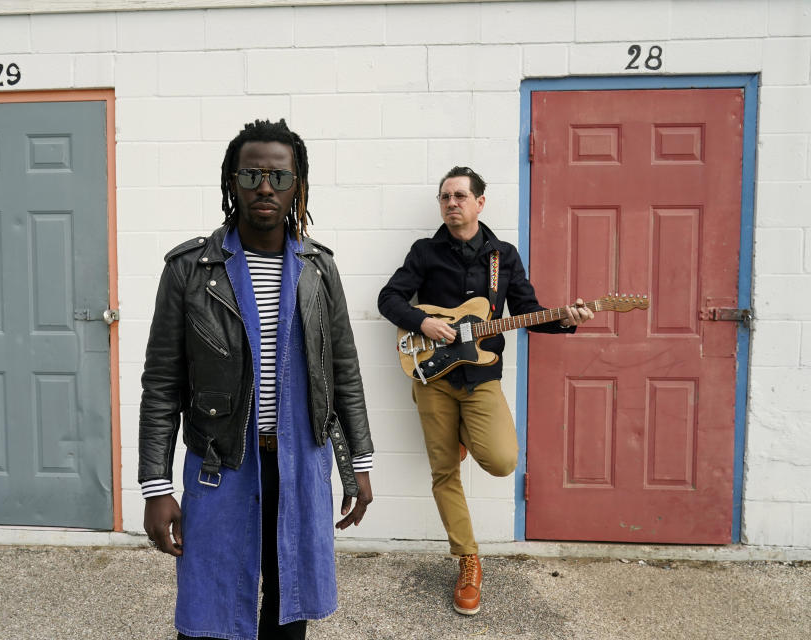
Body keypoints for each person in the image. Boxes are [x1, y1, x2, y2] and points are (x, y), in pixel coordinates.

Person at [138, 119, 374, 640]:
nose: (264, 188)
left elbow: (344, 372)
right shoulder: (190, 269)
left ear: (297, 185)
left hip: (300, 463)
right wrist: (156, 487)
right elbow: (161, 383)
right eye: (250, 177)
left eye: (277, 176)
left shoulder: (318, 269)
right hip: (221, 464)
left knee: (289, 608)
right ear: (231, 183)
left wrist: (358, 465)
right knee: (210, 610)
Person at [377, 166, 592, 616]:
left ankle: (464, 435)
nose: (451, 203)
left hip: (480, 379)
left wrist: (566, 319)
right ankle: (468, 558)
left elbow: (528, 312)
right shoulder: (424, 251)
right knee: (443, 473)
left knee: (501, 460)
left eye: (459, 196)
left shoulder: (504, 257)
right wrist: (423, 322)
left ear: (480, 202)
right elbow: (389, 299)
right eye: (444, 197)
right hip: (433, 378)